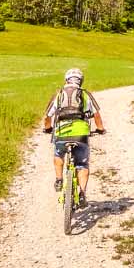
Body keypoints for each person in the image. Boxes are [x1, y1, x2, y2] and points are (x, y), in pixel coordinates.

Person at [42, 68, 106, 206]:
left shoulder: (58, 94)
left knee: (59, 154)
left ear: (66, 80)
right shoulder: (85, 94)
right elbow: (97, 115)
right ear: (81, 81)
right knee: (82, 164)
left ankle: (59, 180)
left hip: (61, 132)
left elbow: (47, 116)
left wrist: (48, 128)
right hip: (81, 134)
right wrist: (100, 129)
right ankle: (82, 194)